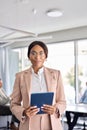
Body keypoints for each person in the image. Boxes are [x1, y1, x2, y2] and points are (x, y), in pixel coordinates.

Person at [10, 41, 66, 130]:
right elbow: (14, 104)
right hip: (29, 123)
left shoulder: (56, 74)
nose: (37, 57)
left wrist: (56, 109)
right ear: (29, 56)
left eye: (41, 53)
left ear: (46, 56)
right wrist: (23, 112)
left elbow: (62, 101)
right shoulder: (20, 76)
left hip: (51, 123)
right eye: (33, 53)